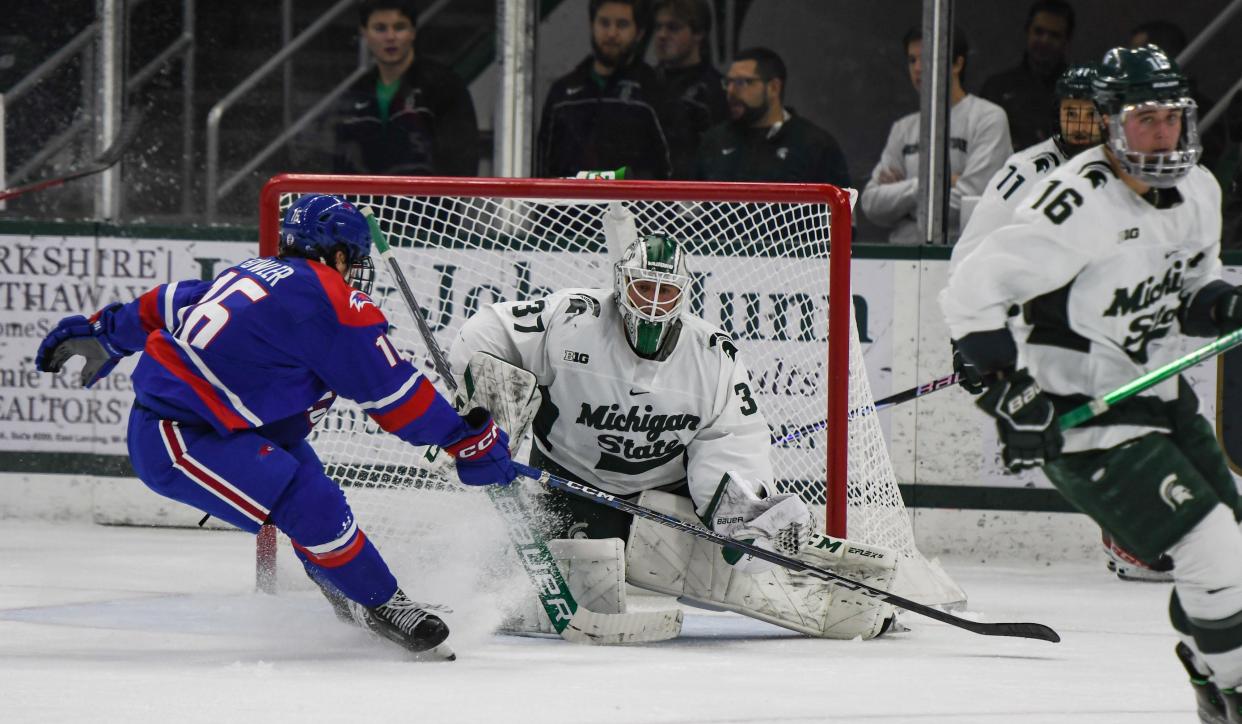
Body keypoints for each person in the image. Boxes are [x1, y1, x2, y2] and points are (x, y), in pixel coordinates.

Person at [33, 194, 517, 659]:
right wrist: (463, 438)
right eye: (355, 261)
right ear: (341, 254)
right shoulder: (328, 298)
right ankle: (380, 604)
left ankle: (349, 594)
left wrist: (105, 333)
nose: (356, 273)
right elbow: (392, 391)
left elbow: (168, 301)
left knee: (314, 496)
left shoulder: (256, 272)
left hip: (241, 425)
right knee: (311, 503)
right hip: (181, 435)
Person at [940, 46, 1242, 722]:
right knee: (1211, 547)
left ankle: (1207, 666)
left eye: (1173, 118)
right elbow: (971, 290)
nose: (1163, 135)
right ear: (1109, 124)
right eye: (1145, 121)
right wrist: (1004, 390)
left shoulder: (1199, 189)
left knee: (1235, 553)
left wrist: (1225, 303)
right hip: (1086, 417)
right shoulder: (1073, 203)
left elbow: (1195, 287)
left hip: (1160, 401)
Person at [448, 228, 898, 641]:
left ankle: (860, 605)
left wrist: (737, 514)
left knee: (731, 570)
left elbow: (730, 440)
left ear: (684, 295)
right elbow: (487, 333)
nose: (653, 302)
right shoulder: (570, 318)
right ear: (621, 284)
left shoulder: (712, 356)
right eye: (644, 287)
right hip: (569, 478)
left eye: (666, 292)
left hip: (665, 487)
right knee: (556, 580)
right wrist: (486, 409)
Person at [861, 26, 1012, 245]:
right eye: (912, 60)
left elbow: (969, 204)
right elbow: (871, 203)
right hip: (901, 262)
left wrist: (901, 200)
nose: (918, 68)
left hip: (962, 258)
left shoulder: (988, 118)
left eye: (927, 58)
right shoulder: (902, 128)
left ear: (957, 64)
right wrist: (929, 184)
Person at [333, 0, 479, 176]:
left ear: (413, 31)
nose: (390, 37)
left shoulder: (444, 85)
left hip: (428, 203)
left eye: (399, 27)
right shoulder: (356, 92)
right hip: (367, 203)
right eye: (380, 28)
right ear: (364, 32)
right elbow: (342, 163)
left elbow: (462, 161)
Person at [536, 0, 673, 179]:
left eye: (622, 24)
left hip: (632, 206)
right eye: (604, 23)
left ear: (639, 32)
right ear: (592, 25)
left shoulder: (655, 92)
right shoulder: (562, 94)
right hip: (568, 206)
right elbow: (542, 170)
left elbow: (673, 170)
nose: (611, 33)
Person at [693, 47, 850, 186]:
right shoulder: (714, 141)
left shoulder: (814, 145)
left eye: (742, 82)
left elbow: (843, 213)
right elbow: (688, 211)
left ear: (774, 87)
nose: (731, 91)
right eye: (728, 82)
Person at [980, 0, 1074, 150]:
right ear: (1027, 32)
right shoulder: (997, 88)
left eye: (1054, 35)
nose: (1045, 40)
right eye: (1039, 32)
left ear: (1067, 41)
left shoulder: (1079, 93)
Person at [651, 0, 727, 179]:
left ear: (698, 32)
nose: (662, 35)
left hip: (693, 197)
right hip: (642, 195)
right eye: (658, 27)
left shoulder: (716, 89)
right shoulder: (642, 82)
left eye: (673, 27)